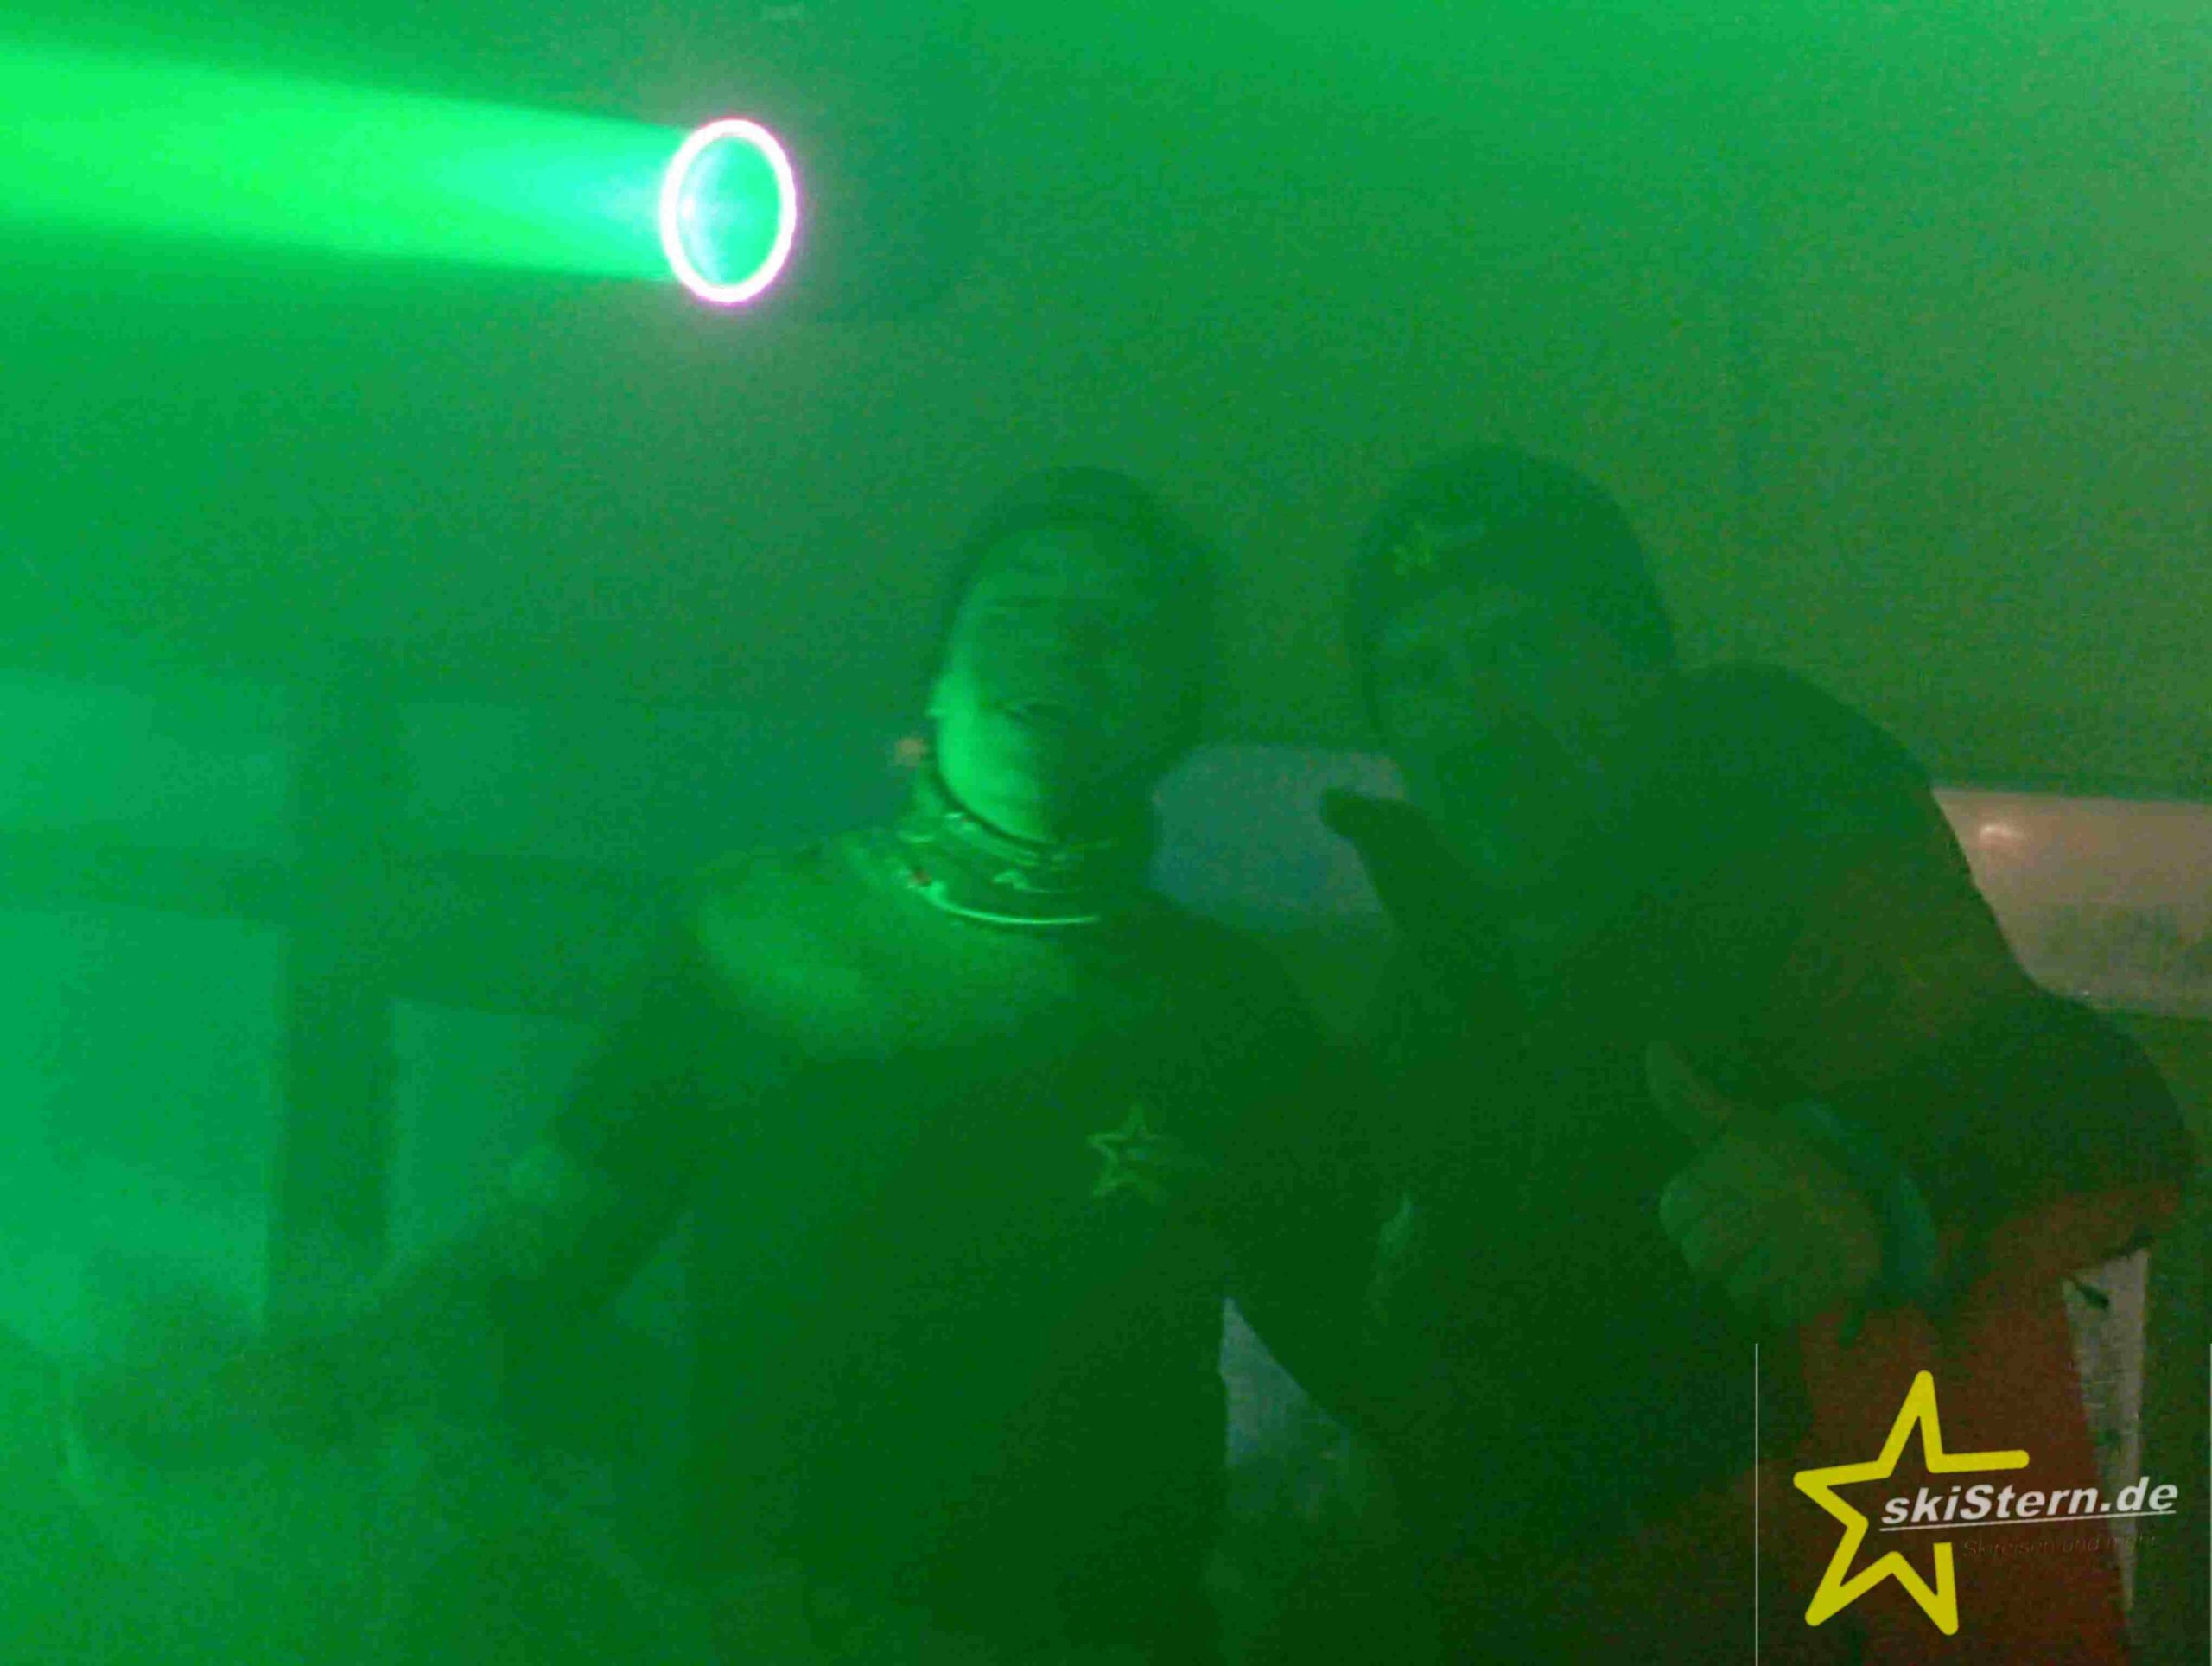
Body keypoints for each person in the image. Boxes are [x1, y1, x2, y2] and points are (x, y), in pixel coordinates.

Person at [72, 467, 1369, 1666]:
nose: (1061, 646)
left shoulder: (1236, 1012)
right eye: (1019, 604)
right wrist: (311, 1380)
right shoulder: (747, 932)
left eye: (1119, 623)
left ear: (1184, 711)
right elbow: (542, 1249)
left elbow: (1348, 1351)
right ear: (935, 670)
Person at [1299, 444, 2192, 1663]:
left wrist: (1862, 1177)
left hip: (1798, 1609)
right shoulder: (1444, 961)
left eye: (1521, 647)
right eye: (1421, 674)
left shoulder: (1798, 873)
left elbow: (2098, 1107)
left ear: (1640, 670)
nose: (1478, 714)